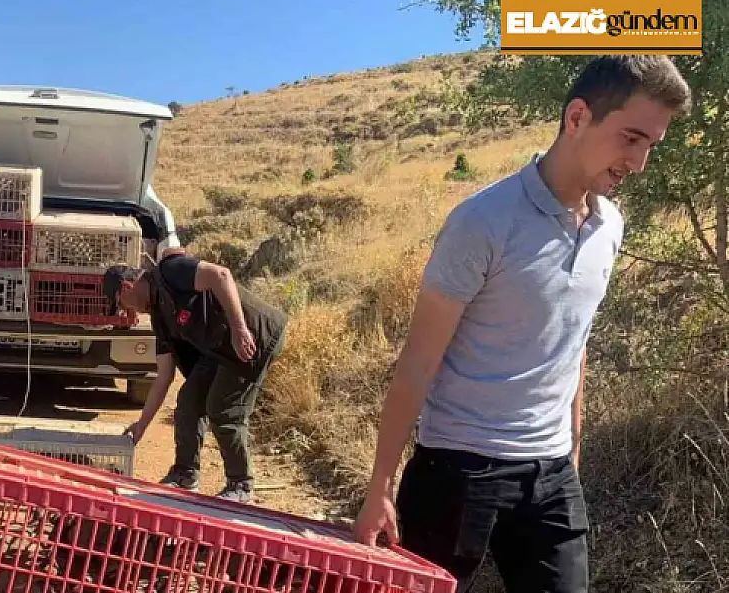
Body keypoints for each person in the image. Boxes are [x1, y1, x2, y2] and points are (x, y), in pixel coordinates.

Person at [352, 55, 692, 593]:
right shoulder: (482, 222)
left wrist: (572, 454)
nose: (640, 161)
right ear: (577, 118)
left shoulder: (610, 226)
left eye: (651, 144)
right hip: (457, 469)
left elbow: (572, 341)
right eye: (631, 138)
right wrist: (379, 489)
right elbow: (418, 362)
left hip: (551, 474)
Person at [103, 249, 288, 503]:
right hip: (221, 349)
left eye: (123, 307)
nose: (128, 314)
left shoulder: (170, 272)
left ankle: (241, 483)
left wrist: (239, 328)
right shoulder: (160, 317)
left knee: (223, 409)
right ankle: (185, 474)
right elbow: (164, 376)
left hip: (254, 335)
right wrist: (141, 426)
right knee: (189, 402)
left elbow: (220, 275)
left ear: (126, 287)